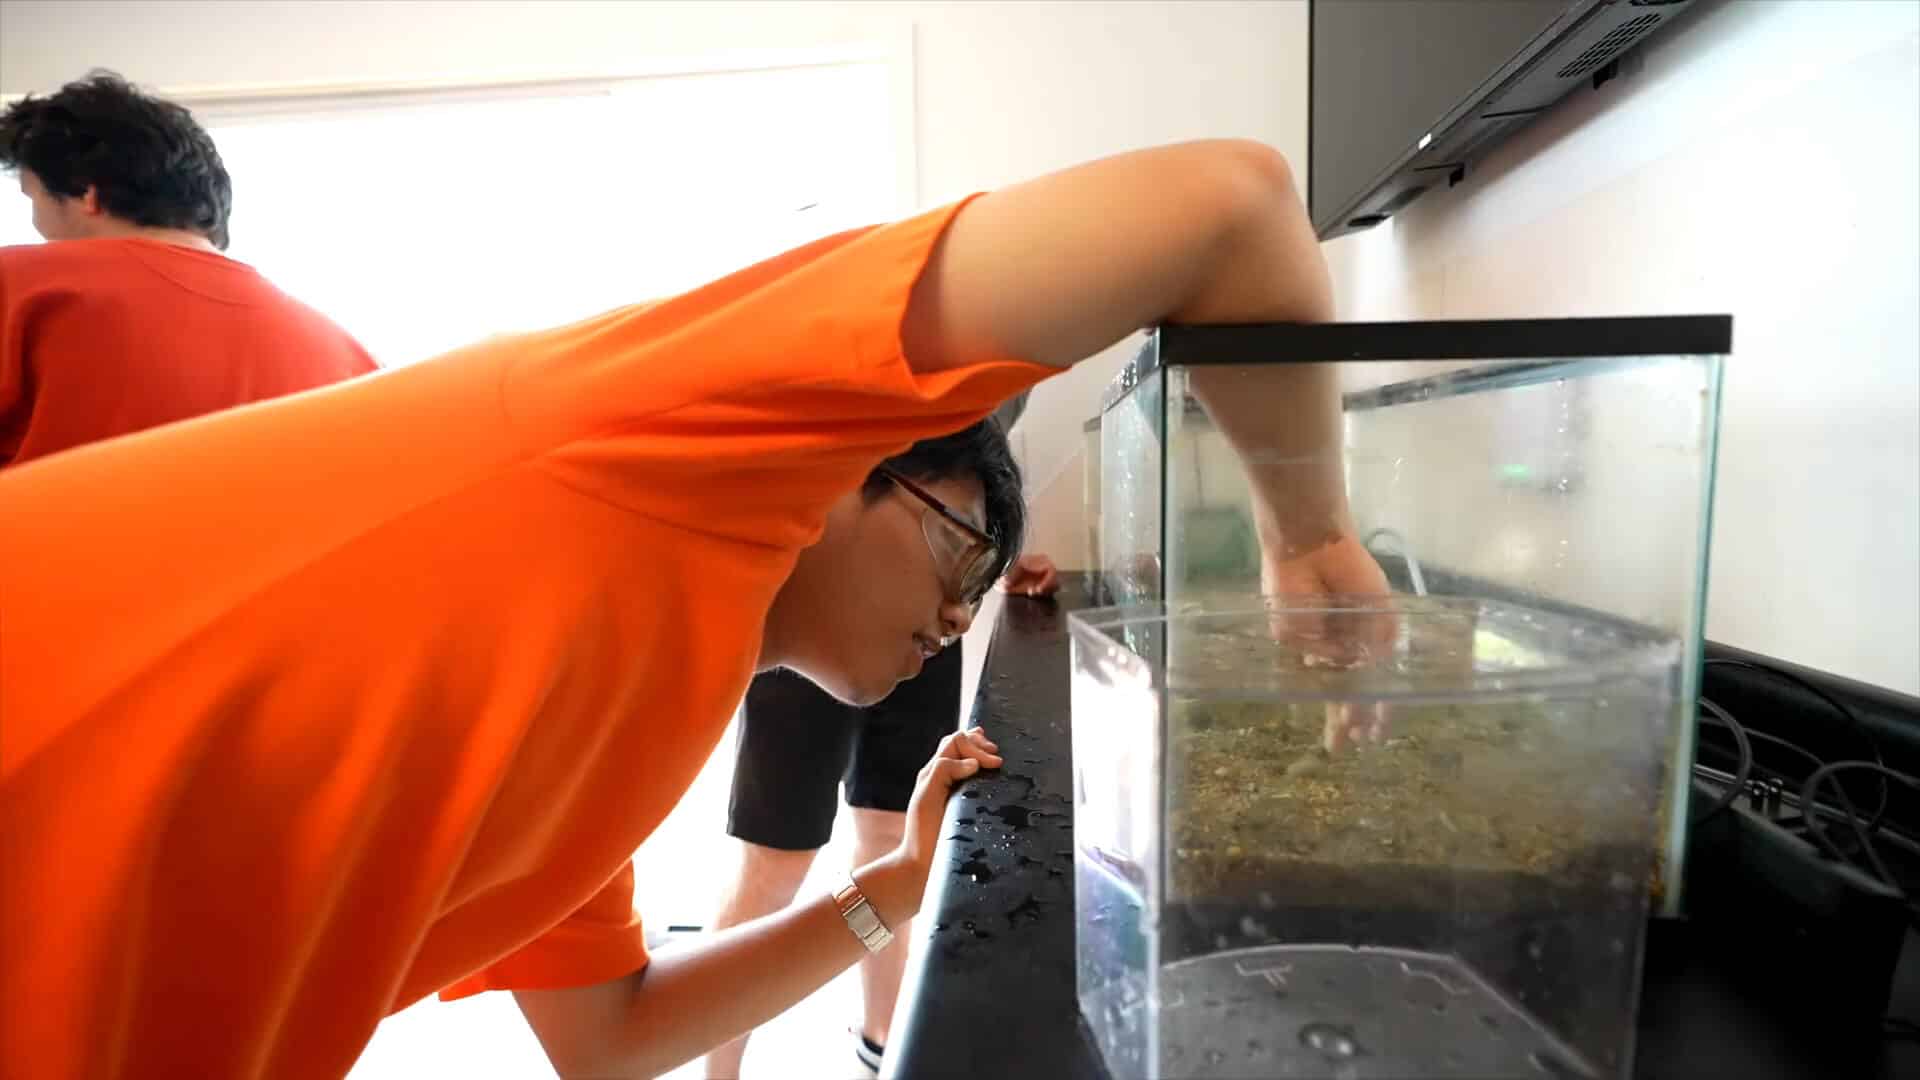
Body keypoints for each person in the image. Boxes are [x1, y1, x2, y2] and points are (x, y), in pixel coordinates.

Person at [0, 138, 1389, 1079]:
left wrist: (885, 895)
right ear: (861, 461)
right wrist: (1311, 539)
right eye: (965, 554)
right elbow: (1229, 203)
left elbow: (606, 1041)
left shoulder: (619, 742)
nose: (953, 618)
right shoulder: (655, 433)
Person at [705, 413, 1057, 1080]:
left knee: (893, 831)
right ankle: (720, 1070)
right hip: (844, 582)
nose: (962, 617)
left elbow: (967, 471)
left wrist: (982, 558)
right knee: (778, 858)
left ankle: (881, 1045)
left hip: (919, 580)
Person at [0, 72, 375, 469]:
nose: (38, 225)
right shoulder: (350, 358)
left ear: (87, 194)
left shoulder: (20, 284)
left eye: (33, 199)